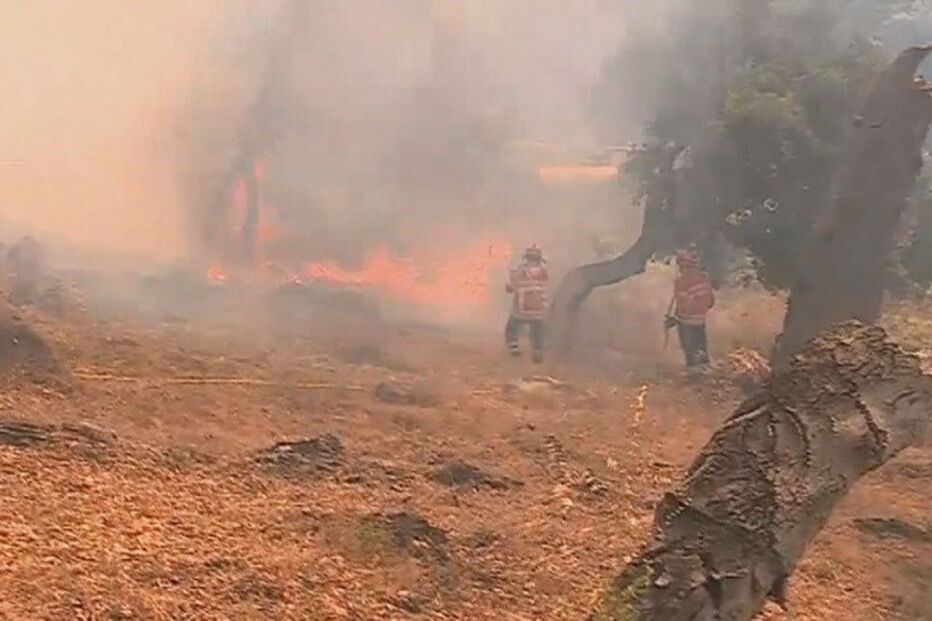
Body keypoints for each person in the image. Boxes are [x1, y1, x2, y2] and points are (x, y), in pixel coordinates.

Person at [666, 248, 715, 369]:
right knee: (702, 356)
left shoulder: (681, 283)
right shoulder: (705, 282)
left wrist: (674, 320)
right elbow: (710, 303)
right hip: (700, 325)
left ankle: (696, 382)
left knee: (692, 358)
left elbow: (683, 308)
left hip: (687, 328)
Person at [505, 245, 548, 363]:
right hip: (539, 310)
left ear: (526, 258)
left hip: (522, 309)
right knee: (537, 331)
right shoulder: (543, 271)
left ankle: (514, 349)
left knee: (511, 328)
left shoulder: (521, 271)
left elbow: (510, 287)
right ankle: (537, 351)